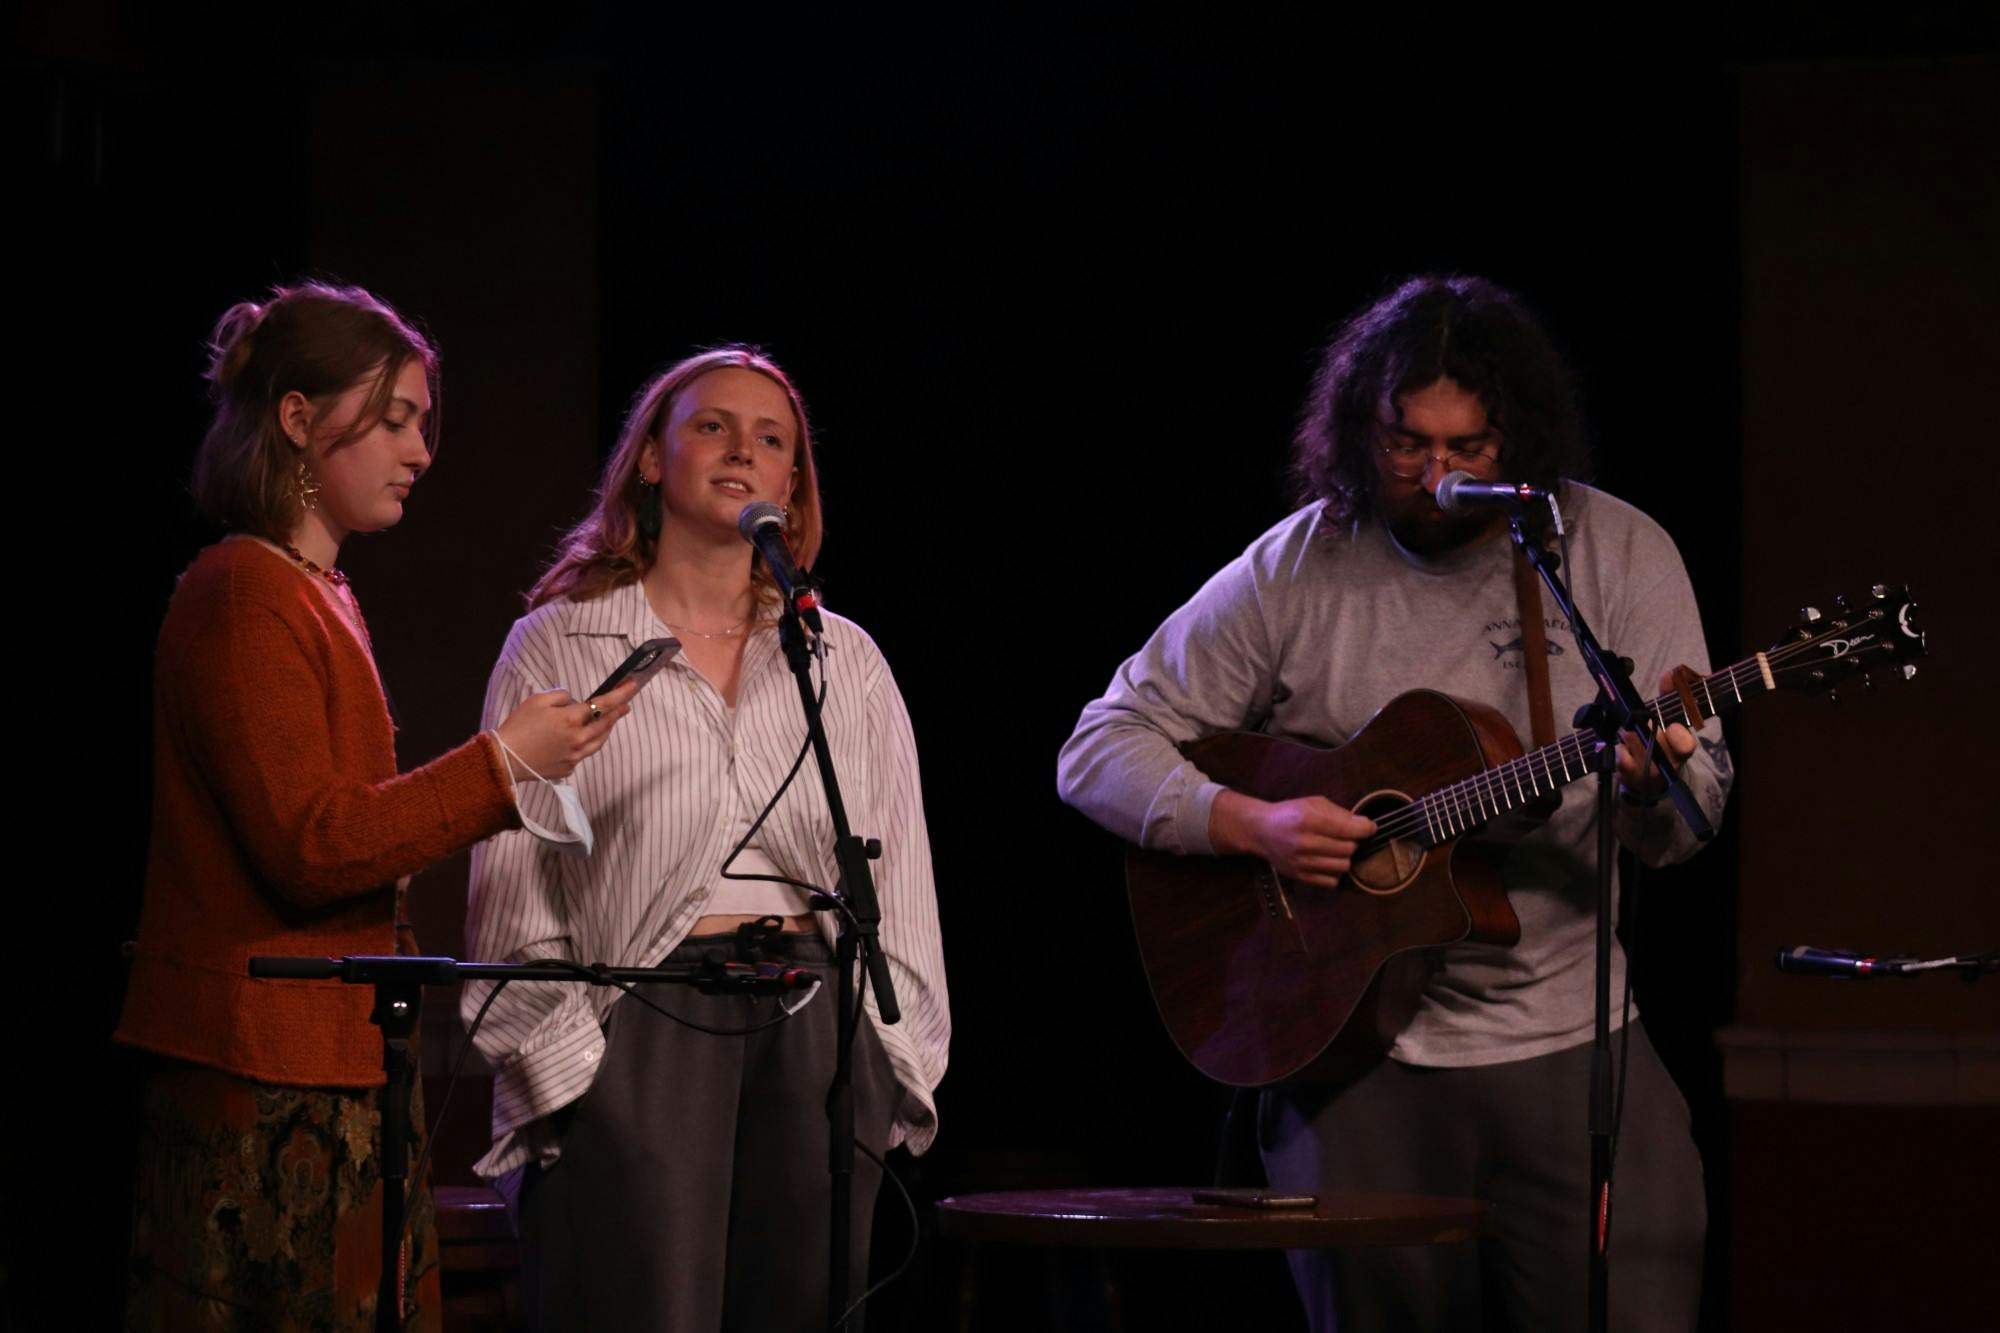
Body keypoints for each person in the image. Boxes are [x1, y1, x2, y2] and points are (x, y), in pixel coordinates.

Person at [1057, 275, 1733, 1333]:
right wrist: (1255, 824)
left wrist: (1656, 778)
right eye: (1404, 444)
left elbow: (1689, 821)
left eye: (1466, 448)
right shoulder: (1298, 564)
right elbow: (1098, 747)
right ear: (1356, 432)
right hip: (1355, 1057)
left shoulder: (1611, 553)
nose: (1433, 475)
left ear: (1519, 437)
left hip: (1570, 1042)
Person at [116, 281, 637, 1332]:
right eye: (394, 417)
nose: (420, 447)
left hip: (329, 1060)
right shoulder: (239, 592)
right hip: (260, 1073)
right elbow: (311, 844)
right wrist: (501, 766)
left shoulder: (318, 593)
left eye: (420, 420)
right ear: (300, 420)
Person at [464, 345, 950, 1331]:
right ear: (649, 457)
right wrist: (567, 1068)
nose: (743, 449)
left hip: (818, 1027)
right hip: (638, 1020)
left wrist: (897, 1055)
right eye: (712, 425)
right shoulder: (562, 641)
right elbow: (512, 883)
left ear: (790, 483)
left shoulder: (839, 658)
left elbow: (898, 877)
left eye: (772, 439)